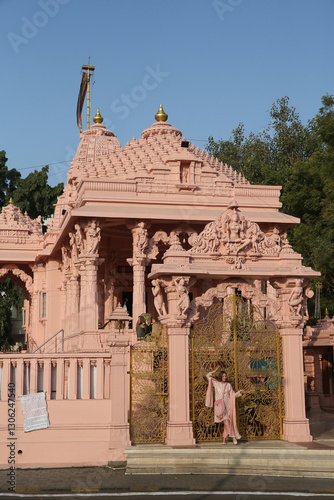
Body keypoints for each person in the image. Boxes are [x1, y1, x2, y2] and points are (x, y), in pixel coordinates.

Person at [205, 367, 244, 445]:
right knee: (227, 422)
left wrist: (239, 392)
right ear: (220, 376)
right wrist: (214, 371)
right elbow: (208, 376)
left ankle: (224, 439)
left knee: (227, 422)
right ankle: (233, 437)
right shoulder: (216, 383)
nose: (224, 377)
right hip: (219, 407)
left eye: (225, 376)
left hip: (227, 407)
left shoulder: (228, 385)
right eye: (223, 376)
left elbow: (232, 396)